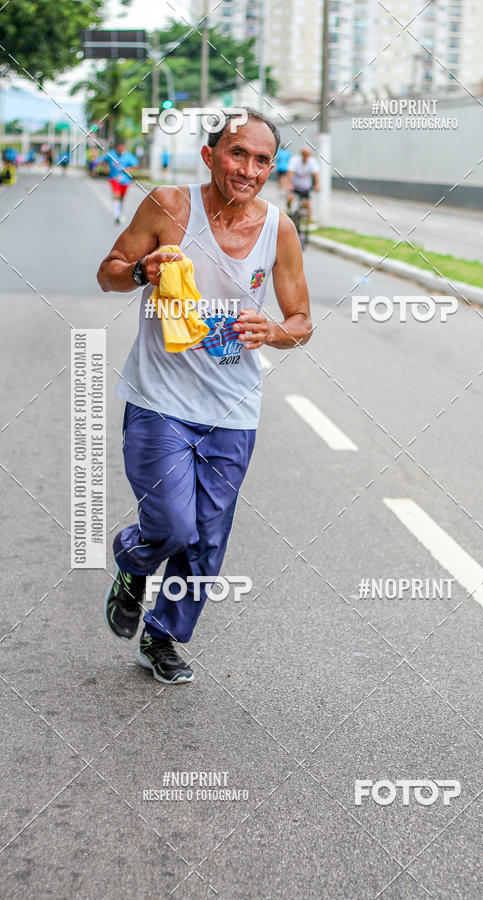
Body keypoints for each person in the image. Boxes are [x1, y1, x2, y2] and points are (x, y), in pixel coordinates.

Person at [97, 108, 312, 684]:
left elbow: (301, 320)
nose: (249, 169)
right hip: (158, 399)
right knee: (172, 526)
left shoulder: (278, 229)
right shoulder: (169, 204)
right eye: (238, 153)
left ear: (272, 168)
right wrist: (143, 270)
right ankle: (132, 561)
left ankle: (161, 638)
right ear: (210, 155)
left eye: (262, 160)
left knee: (206, 542)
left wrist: (274, 331)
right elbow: (108, 272)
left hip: (233, 409)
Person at [99, 141, 139, 224]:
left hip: (125, 180)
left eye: (121, 147)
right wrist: (106, 167)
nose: (120, 149)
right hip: (114, 178)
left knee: (122, 198)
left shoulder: (129, 156)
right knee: (116, 195)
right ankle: (116, 215)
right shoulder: (111, 154)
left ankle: (119, 212)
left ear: (124, 148)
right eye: (118, 147)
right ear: (116, 147)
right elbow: (104, 161)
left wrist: (128, 169)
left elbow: (136, 165)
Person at [286, 146, 320, 223]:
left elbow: (315, 174)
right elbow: (290, 172)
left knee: (308, 204)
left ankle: (308, 223)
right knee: (290, 198)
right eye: (304, 154)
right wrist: (289, 184)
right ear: (301, 154)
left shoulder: (312, 161)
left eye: (307, 154)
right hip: (295, 185)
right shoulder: (295, 160)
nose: (305, 156)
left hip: (306, 187)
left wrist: (317, 185)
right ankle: (289, 211)